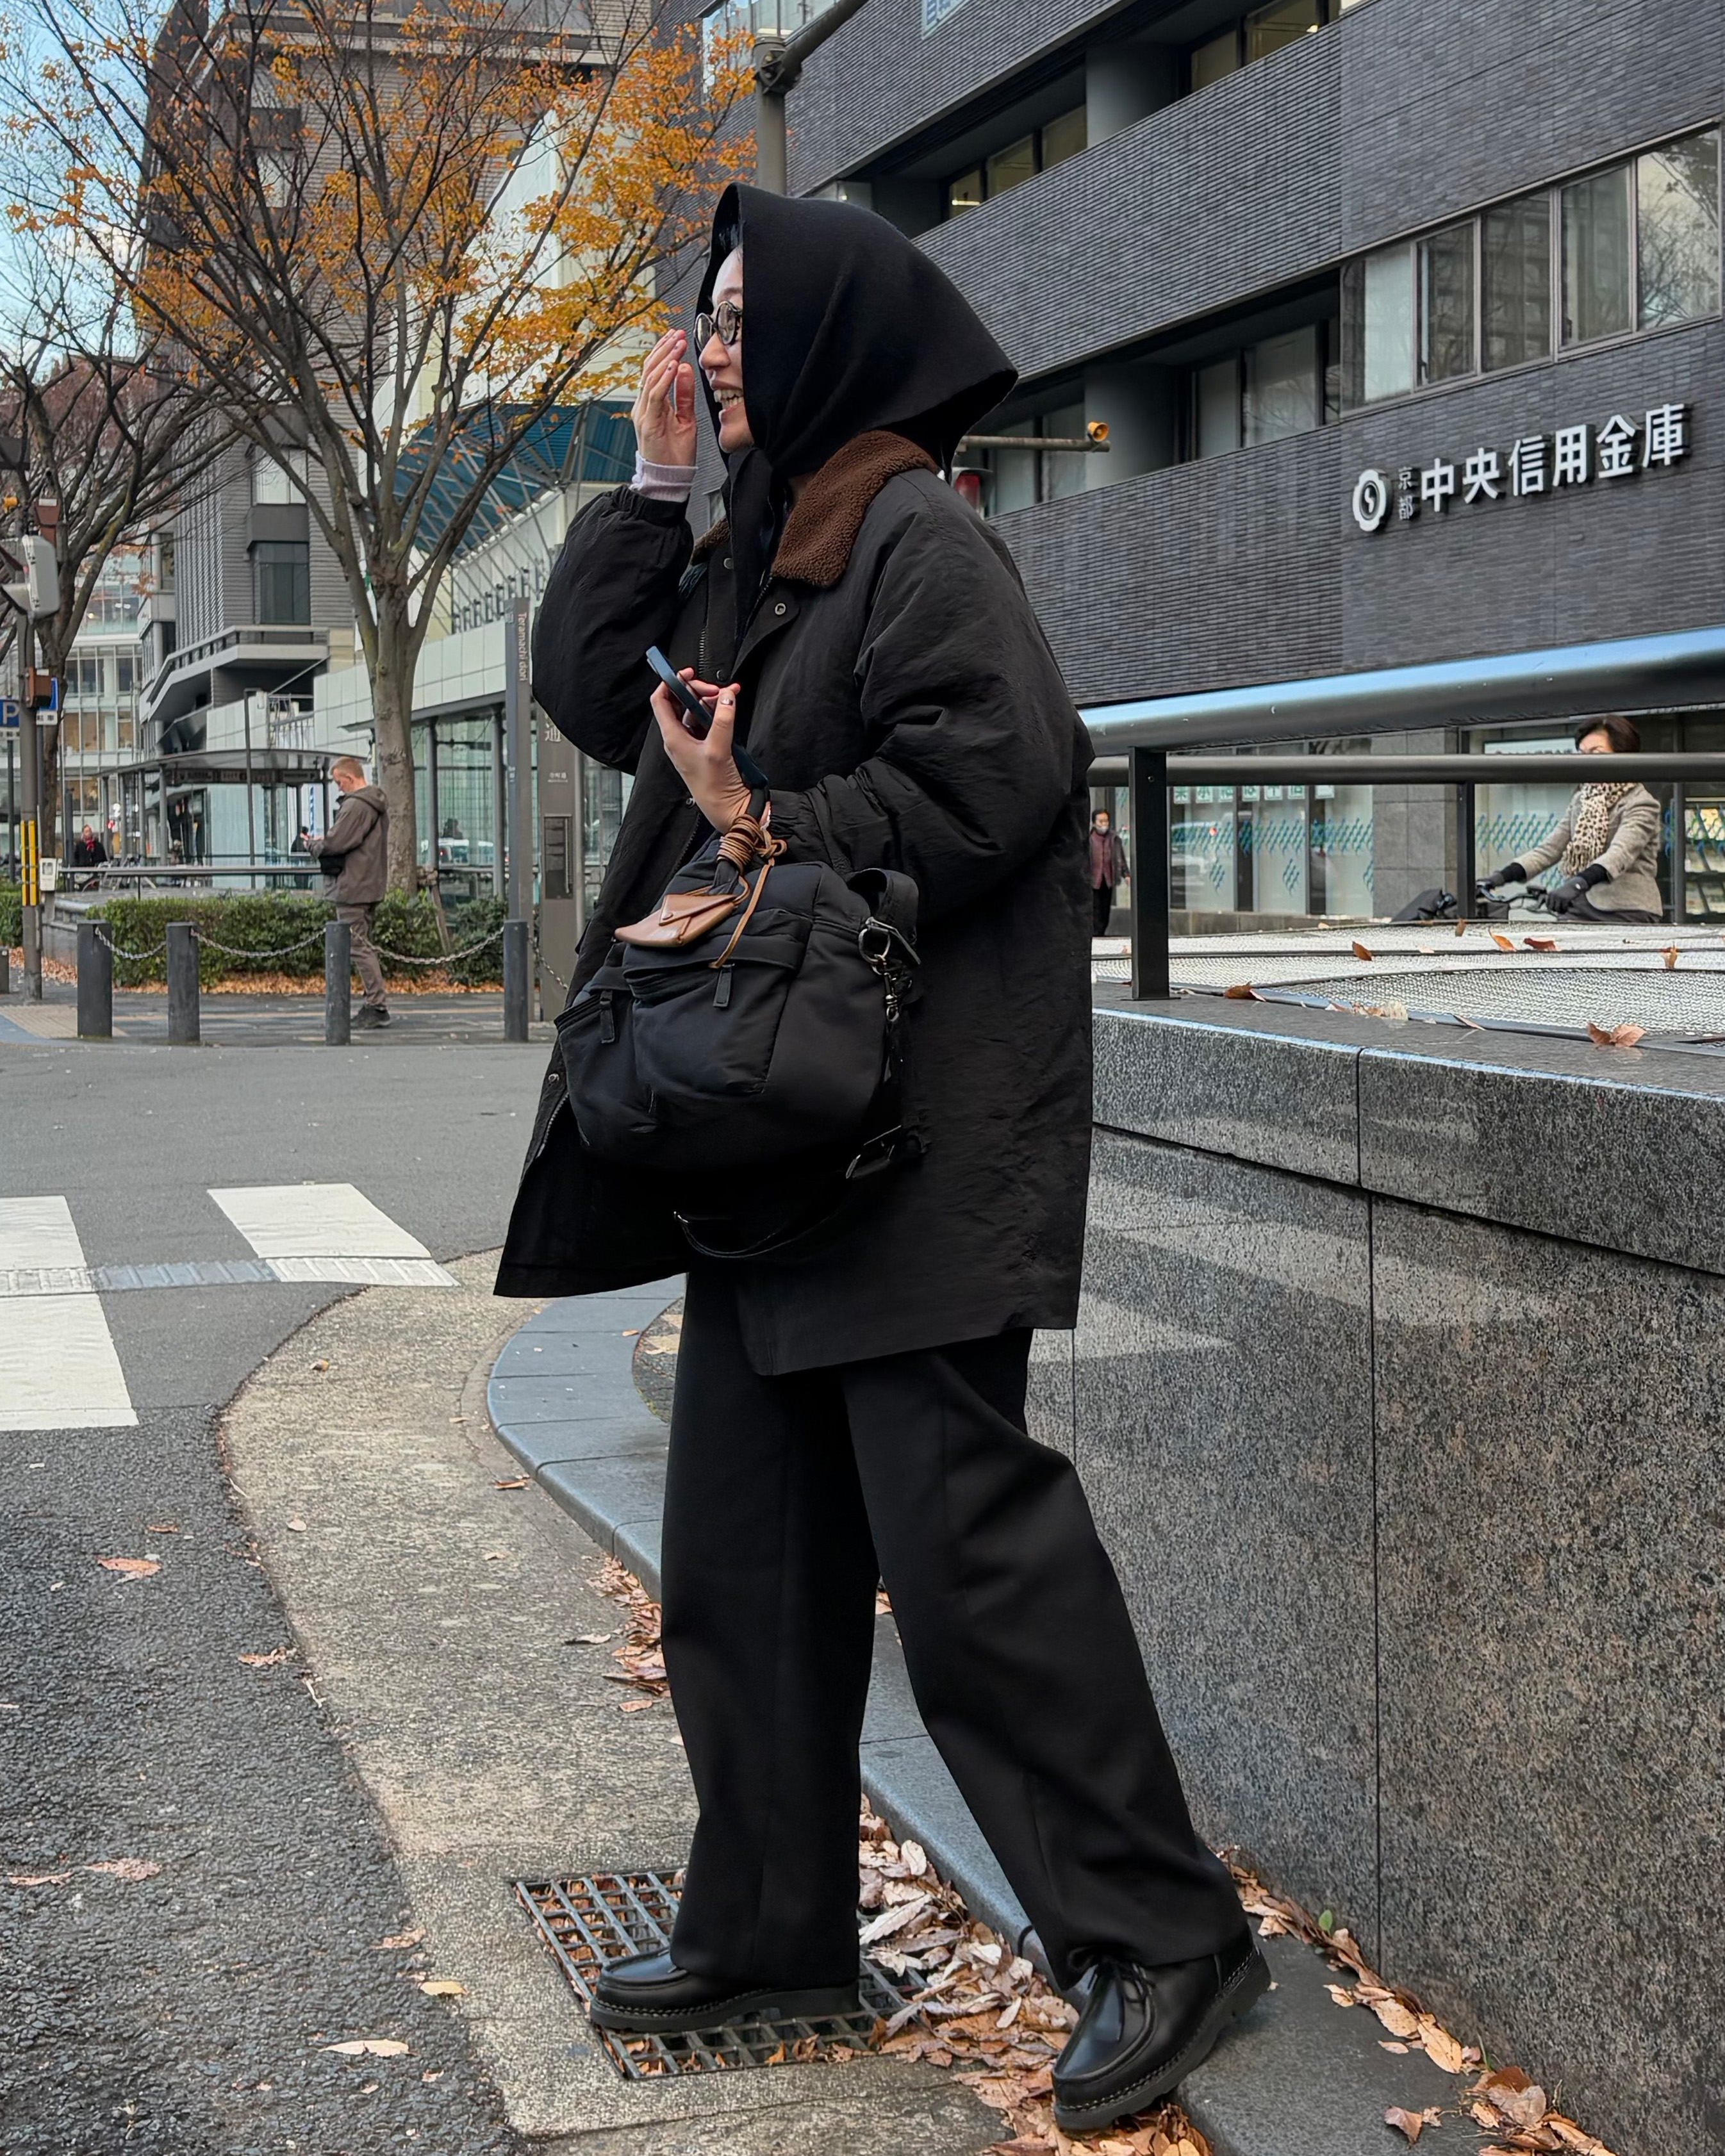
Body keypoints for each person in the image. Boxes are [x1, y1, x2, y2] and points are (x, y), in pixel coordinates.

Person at [498, 185, 1263, 2137]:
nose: (714, 345)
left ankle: (1163, 1933)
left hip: (920, 1133)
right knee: (742, 1561)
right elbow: (590, 690)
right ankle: (772, 1925)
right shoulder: (762, 542)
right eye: (707, 317)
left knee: (967, 1561)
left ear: (837, 333)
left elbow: (997, 781)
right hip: (786, 1137)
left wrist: (763, 811)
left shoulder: (913, 531)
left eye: (742, 320)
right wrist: (652, 489)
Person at [1478, 716, 1664, 922]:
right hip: (1581, 905)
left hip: (1627, 909)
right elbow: (1549, 850)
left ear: (1622, 755)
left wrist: (1576, 884)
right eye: (1583, 754)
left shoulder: (1641, 803)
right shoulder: (1582, 799)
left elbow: (1619, 854)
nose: (1587, 762)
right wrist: (1499, 878)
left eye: (1596, 753)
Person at [306, 755, 391, 1026]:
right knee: (363, 945)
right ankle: (374, 1002)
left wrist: (313, 845)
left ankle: (376, 1005)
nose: (338, 788)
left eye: (339, 782)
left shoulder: (356, 805)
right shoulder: (375, 803)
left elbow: (337, 842)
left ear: (350, 778)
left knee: (358, 947)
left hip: (352, 885)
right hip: (369, 882)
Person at [1089, 806, 1127, 937]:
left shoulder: (1114, 839)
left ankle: (1101, 932)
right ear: (1094, 823)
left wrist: (1126, 874)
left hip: (1108, 879)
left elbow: (1120, 858)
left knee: (1105, 908)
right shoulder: (1089, 840)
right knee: (1095, 908)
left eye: (1106, 821)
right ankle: (1096, 932)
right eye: (1101, 821)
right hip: (1093, 880)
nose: (1104, 824)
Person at [70, 822, 106, 887]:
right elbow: (76, 859)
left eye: (90, 831)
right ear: (83, 833)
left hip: (96, 872)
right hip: (83, 872)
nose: (89, 833)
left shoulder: (98, 845)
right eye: (86, 831)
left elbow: (103, 859)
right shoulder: (79, 846)